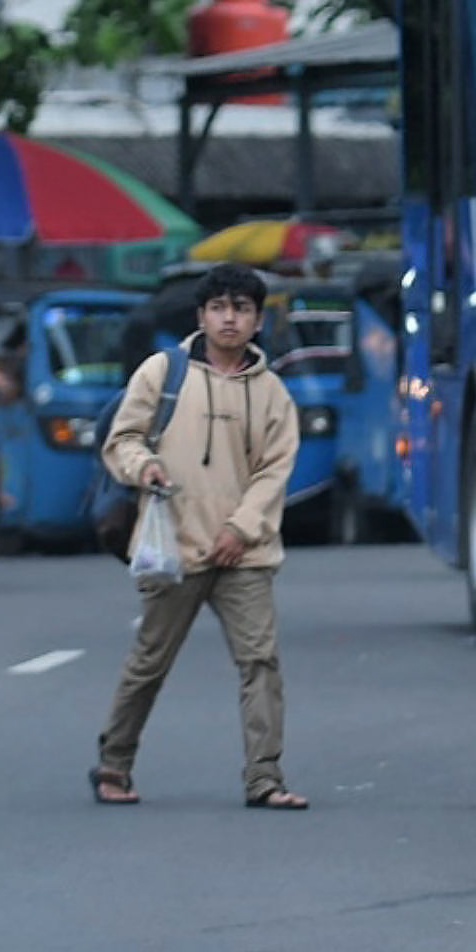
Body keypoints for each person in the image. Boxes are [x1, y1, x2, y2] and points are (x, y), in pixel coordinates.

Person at [88, 262, 306, 810]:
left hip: (245, 553)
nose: (229, 319)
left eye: (241, 309)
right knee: (149, 662)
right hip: (175, 549)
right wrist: (145, 469)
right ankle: (114, 765)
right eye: (219, 308)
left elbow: (274, 472)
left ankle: (265, 779)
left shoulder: (273, 394)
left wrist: (241, 528)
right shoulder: (162, 373)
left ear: (258, 321)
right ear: (202, 316)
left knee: (261, 663)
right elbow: (123, 440)